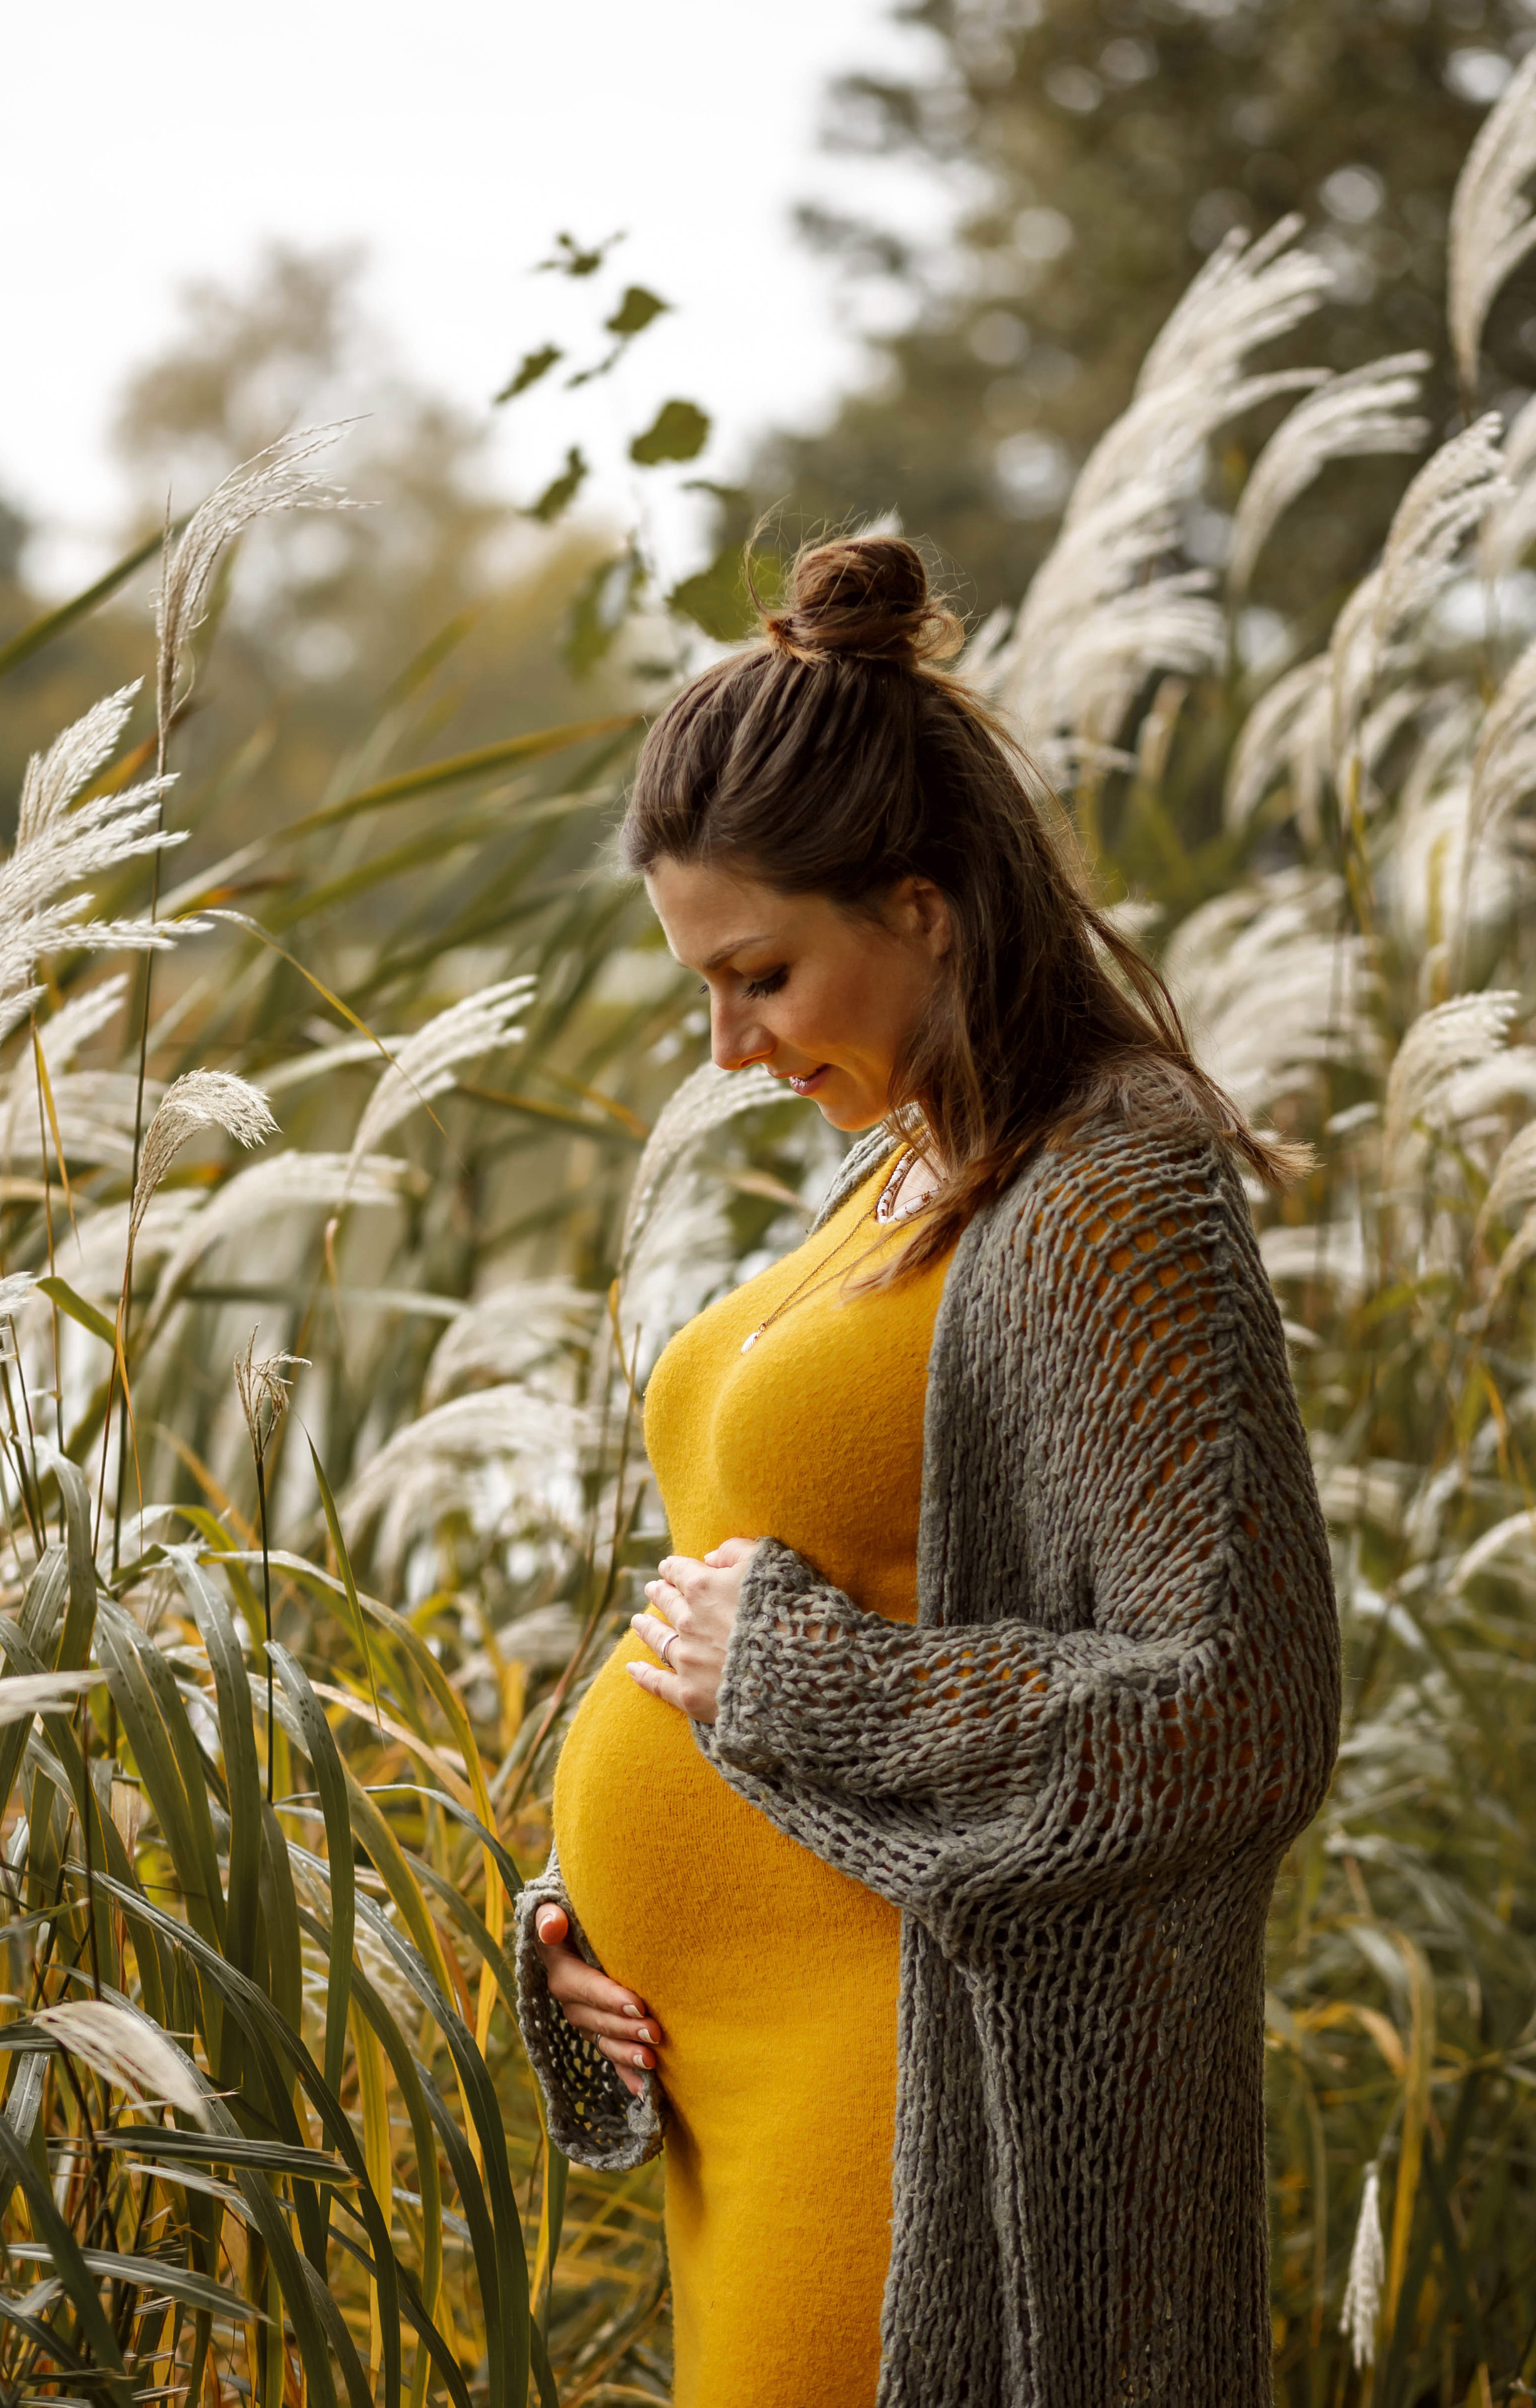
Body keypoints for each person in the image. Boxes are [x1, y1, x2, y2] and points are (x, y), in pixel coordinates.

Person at [514, 534, 1343, 2408]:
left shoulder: (1108, 1185)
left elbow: (1242, 1710)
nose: (731, 1049)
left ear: (926, 906)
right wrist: (578, 1934)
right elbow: (752, 1588)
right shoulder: (898, 1169)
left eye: (764, 976)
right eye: (702, 993)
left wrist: (804, 1681)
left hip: (903, 2095)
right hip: (730, 2095)